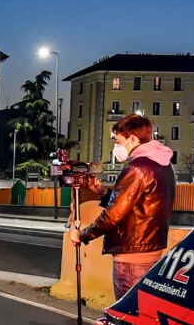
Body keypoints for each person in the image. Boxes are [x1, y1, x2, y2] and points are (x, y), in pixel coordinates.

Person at [71, 113, 176, 300]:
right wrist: (103, 192)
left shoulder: (137, 168)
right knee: (143, 313)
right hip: (151, 250)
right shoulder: (163, 165)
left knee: (128, 316)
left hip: (131, 257)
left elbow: (113, 215)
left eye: (118, 141)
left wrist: (81, 235)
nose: (116, 147)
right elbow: (137, 205)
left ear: (133, 139)